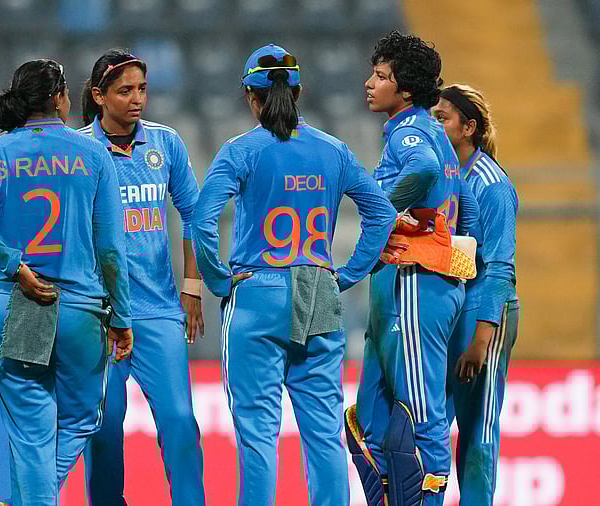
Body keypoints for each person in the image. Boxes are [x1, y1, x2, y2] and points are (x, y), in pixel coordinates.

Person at [192, 44, 397, 506]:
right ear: (299, 91)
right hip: (319, 291)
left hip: (257, 293)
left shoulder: (240, 151)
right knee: (324, 431)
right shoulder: (334, 150)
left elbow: (202, 221)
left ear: (251, 96)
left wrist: (219, 280)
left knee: (257, 434)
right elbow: (381, 215)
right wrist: (345, 275)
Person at [0, 58, 133, 506]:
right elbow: (109, 248)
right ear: (57, 97)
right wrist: (122, 316)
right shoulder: (93, 154)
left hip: (14, 302)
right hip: (77, 306)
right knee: (82, 419)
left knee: (30, 430)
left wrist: (13, 263)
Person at [344, 31, 480, 506]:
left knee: (421, 415)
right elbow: (450, 201)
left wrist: (381, 207)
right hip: (419, 282)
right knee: (370, 418)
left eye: (380, 77)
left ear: (403, 90)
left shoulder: (411, 132)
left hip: (417, 285)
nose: (369, 83)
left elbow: (419, 171)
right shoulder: (428, 132)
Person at [77, 49, 205, 506]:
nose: (137, 100)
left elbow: (195, 214)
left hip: (159, 310)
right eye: (125, 91)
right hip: (100, 315)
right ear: (98, 96)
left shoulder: (165, 144)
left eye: (142, 89)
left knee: (179, 421)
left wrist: (193, 285)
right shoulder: (81, 150)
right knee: (105, 429)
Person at [432, 84, 519, 505]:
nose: (433, 125)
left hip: (487, 312)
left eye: (441, 118)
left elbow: (499, 267)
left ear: (468, 128)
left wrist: (482, 338)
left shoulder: (493, 184)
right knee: (436, 425)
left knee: (479, 427)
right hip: (454, 309)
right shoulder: (446, 175)